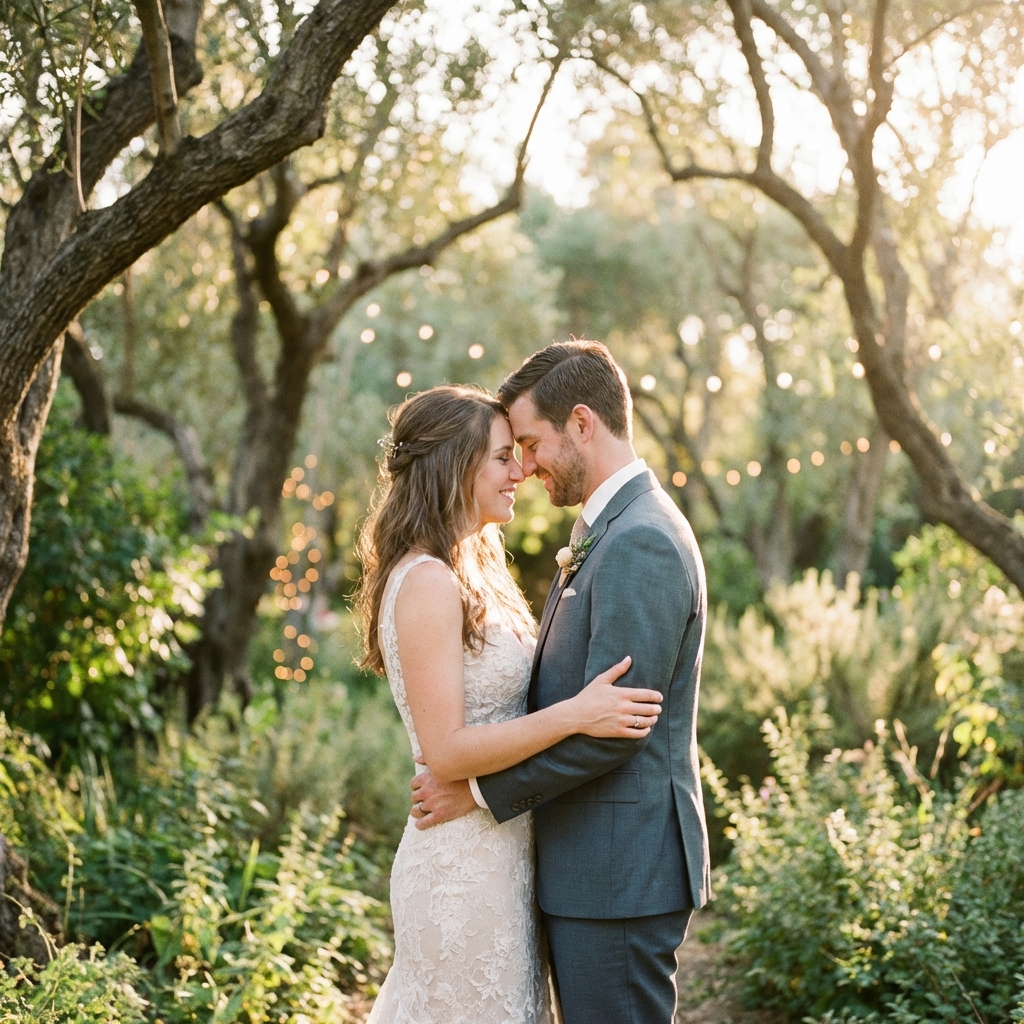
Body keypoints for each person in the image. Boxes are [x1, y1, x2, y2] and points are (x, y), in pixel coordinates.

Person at [411, 342, 711, 1024]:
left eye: (530, 442)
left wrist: (479, 792)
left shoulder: (641, 539)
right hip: (592, 869)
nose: (523, 465)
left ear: (582, 423)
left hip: (620, 874)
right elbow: (585, 708)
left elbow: (619, 730)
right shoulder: (608, 529)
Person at [356, 383, 664, 1024]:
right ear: (454, 468)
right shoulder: (427, 583)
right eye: (503, 456)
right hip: (458, 868)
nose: (521, 470)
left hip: (505, 856)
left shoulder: (472, 571)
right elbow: (444, 750)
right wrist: (578, 714)